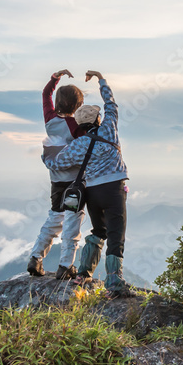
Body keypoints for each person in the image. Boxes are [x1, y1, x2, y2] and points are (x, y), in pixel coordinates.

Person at [43, 70, 134, 298]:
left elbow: (56, 163)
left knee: (98, 231)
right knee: (116, 235)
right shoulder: (109, 129)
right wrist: (101, 79)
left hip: (92, 192)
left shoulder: (78, 144)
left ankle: (83, 274)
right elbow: (111, 104)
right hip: (114, 189)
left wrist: (45, 156)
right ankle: (114, 282)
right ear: (97, 119)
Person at [27, 69, 87, 280]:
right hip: (75, 184)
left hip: (56, 182)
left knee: (55, 218)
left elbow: (45, 95)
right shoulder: (77, 127)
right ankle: (65, 265)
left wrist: (55, 78)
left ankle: (36, 257)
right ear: (78, 105)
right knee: (73, 220)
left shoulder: (50, 121)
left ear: (58, 102)